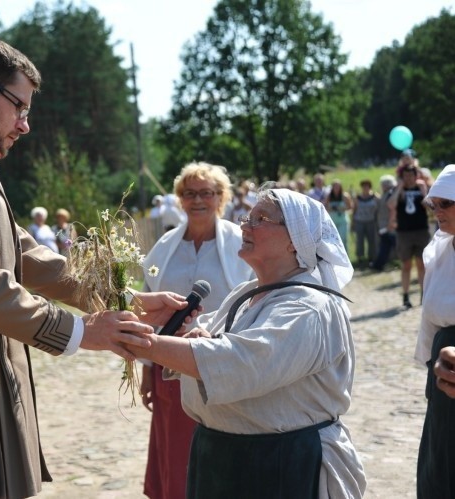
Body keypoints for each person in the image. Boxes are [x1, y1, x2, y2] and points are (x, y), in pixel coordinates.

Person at [0, 38, 189, 499]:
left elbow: (28, 257)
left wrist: (129, 302)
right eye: (19, 107)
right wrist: (84, 332)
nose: (25, 125)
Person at [128, 187, 366, 498]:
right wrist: (199, 338)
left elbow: (240, 362)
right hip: (226, 458)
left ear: (296, 239)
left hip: (281, 463)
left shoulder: (308, 307)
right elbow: (216, 344)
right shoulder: (247, 293)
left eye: (261, 219)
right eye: (247, 217)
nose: (245, 226)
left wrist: (138, 341)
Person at [140, 162, 253, 499]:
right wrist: (148, 368)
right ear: (180, 199)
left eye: (207, 193)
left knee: (222, 453)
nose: (198, 200)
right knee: (176, 454)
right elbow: (148, 300)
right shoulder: (163, 247)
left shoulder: (242, 244)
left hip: (222, 364)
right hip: (170, 361)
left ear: (221, 197)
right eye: (190, 193)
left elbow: (253, 298)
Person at [414, 164, 455, 498]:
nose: (437, 211)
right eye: (434, 204)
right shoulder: (439, 252)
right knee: (440, 462)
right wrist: (430, 366)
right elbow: (429, 317)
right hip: (442, 365)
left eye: (447, 203)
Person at [388, 163, 429, 309]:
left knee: (421, 264)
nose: (409, 178)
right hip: (404, 233)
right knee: (406, 265)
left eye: (411, 175)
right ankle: (405, 297)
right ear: (402, 177)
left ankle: (424, 295)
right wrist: (399, 188)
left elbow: (428, 206)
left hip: (421, 231)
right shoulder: (398, 190)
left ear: (416, 176)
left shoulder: (421, 188)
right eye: (406, 176)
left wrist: (424, 191)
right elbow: (391, 205)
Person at [370, 174, 397, 271]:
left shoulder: (390, 193)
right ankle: (378, 265)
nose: (381, 186)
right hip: (384, 225)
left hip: (389, 225)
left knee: (390, 245)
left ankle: (378, 265)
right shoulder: (388, 193)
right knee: (385, 245)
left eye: (382, 184)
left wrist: (390, 222)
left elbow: (391, 209)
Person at [351, 179, 379, 266]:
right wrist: (353, 222)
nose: (365, 188)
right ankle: (360, 258)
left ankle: (371, 257)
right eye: (363, 186)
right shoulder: (357, 198)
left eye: (367, 186)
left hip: (371, 221)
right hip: (359, 221)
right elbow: (354, 210)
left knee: (371, 240)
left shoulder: (375, 197)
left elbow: (379, 207)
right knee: (360, 241)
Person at [323, 179, 353, 252]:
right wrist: (330, 208)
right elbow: (325, 207)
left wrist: (343, 208)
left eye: (338, 186)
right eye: (335, 186)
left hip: (343, 220)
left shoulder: (345, 196)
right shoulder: (329, 196)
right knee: (333, 240)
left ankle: (345, 256)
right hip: (332, 221)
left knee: (343, 239)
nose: (336, 188)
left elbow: (350, 207)